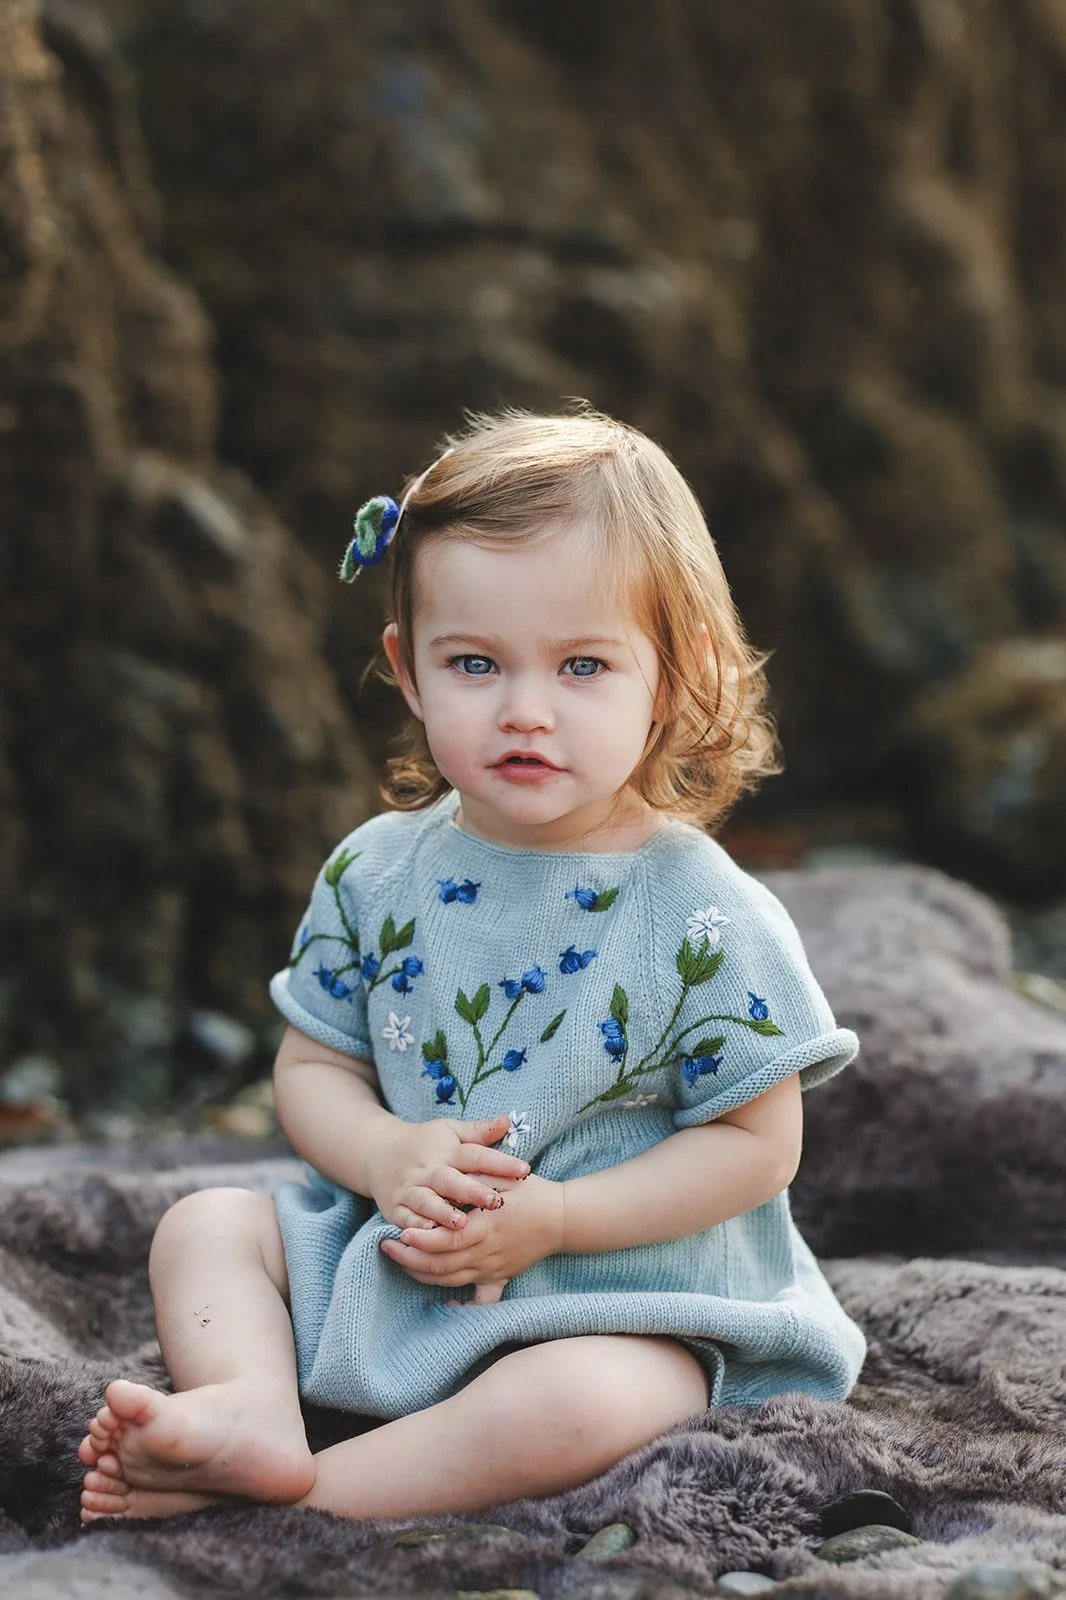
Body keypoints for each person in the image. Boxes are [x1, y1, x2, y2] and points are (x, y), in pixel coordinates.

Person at [78, 408, 866, 1526]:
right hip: (400, 1261)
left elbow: (757, 1143)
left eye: (584, 664)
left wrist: (556, 1220)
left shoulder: (698, 910)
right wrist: (388, 1150)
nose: (525, 710)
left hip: (622, 1292)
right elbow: (312, 1071)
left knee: (589, 1403)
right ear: (408, 670)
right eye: (475, 663)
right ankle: (250, 1406)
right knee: (207, 1224)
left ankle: (300, 1502)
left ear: (674, 673)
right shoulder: (376, 871)